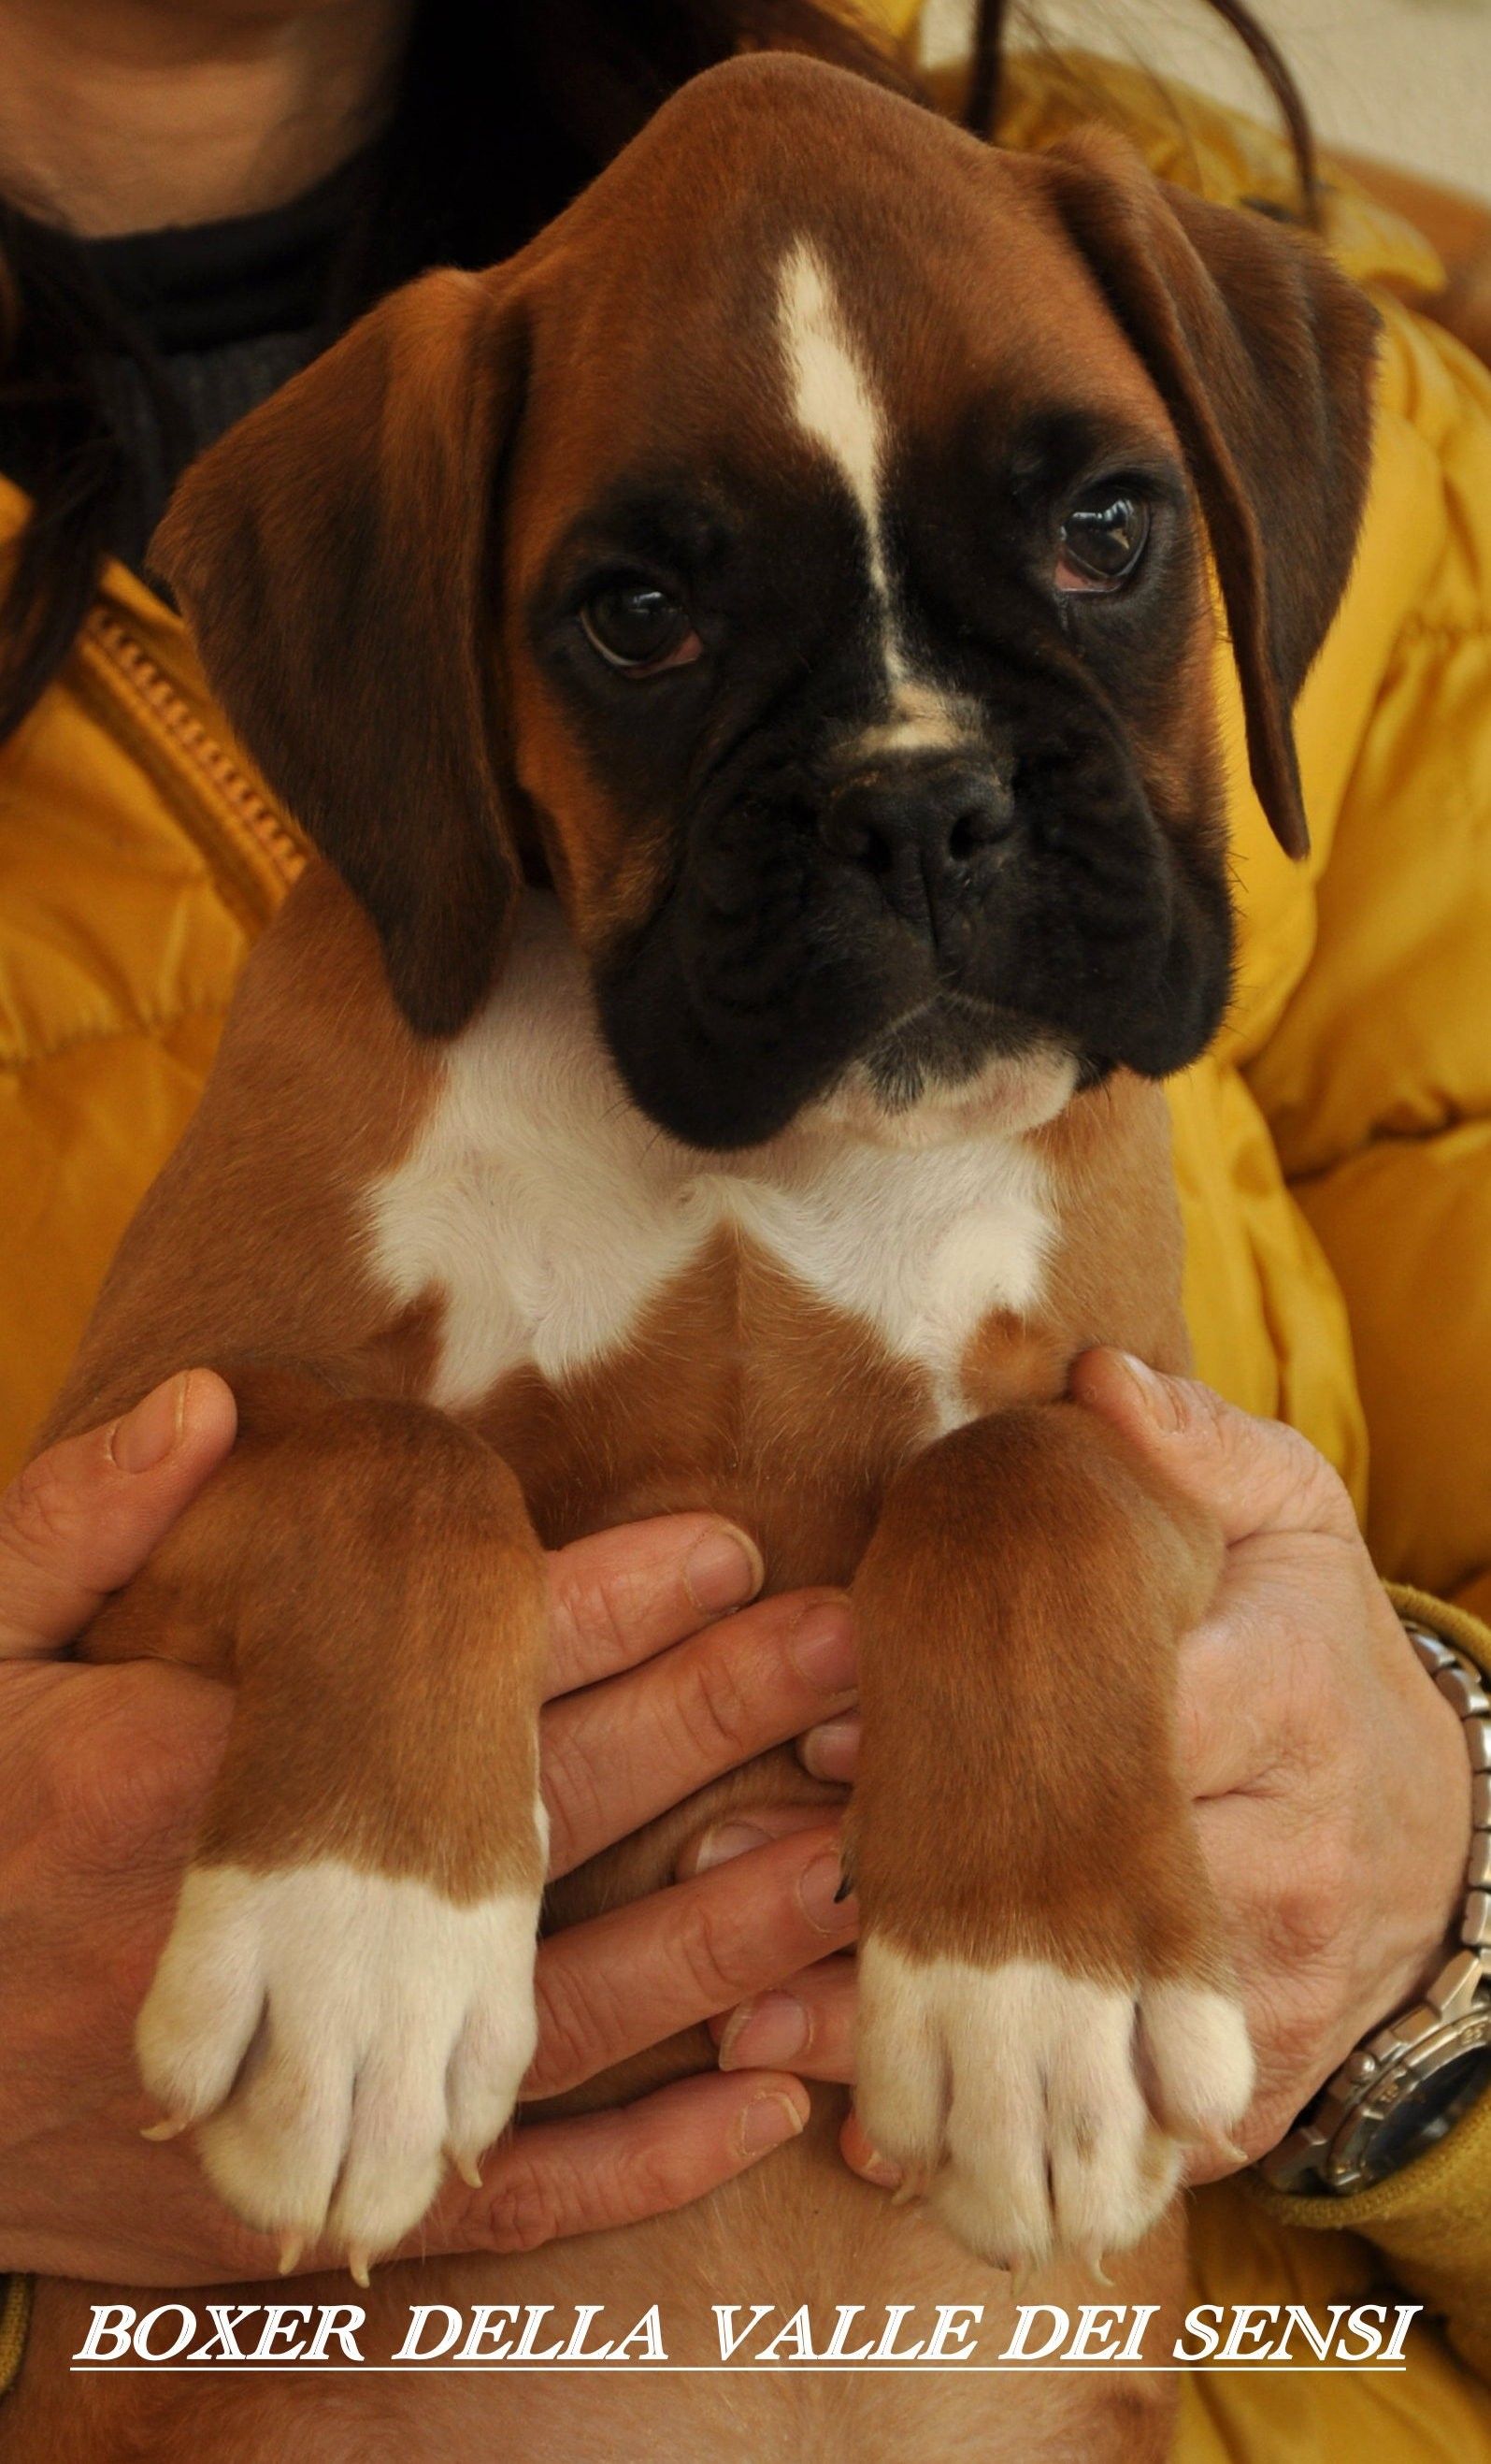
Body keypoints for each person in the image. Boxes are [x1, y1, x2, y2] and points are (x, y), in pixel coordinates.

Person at [2, 4, 1489, 2456]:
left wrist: (1434, 1912)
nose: (922, 799)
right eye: (650, 619)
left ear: (1237, 506)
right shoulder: (405, 519)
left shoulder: (1173, 272)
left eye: (1096, 542)